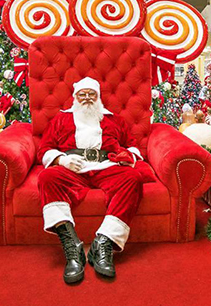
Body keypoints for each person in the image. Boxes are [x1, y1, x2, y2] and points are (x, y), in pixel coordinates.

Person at [37, 77, 144, 284]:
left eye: (91, 94)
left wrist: (128, 156)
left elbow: (132, 146)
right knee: (47, 177)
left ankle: (103, 242)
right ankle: (72, 246)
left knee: (133, 178)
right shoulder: (60, 119)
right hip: (73, 168)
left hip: (106, 166)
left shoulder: (114, 120)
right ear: (75, 98)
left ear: (98, 98)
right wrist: (62, 159)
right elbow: (44, 149)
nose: (87, 99)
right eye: (82, 95)